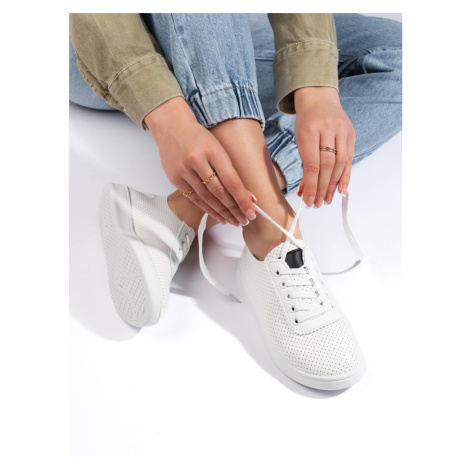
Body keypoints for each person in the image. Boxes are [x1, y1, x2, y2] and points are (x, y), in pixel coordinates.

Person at [69, 13, 402, 390]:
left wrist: (316, 90)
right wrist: (168, 117)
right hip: (93, 44)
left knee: (401, 55)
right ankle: (271, 234)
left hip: (211, 34)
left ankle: (181, 210)